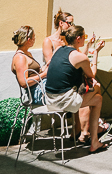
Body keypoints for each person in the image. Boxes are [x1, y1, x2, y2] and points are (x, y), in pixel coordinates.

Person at [45, 25, 106, 153]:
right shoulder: (79, 57)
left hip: (49, 98)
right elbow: (92, 74)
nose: (85, 38)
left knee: (97, 97)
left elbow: (72, 62)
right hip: (62, 101)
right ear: (78, 38)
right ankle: (91, 137)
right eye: (84, 36)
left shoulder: (58, 50)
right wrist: (95, 54)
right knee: (97, 90)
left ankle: (87, 131)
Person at [11, 26, 48, 105]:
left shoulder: (27, 54)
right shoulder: (20, 57)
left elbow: (35, 73)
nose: (34, 40)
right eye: (33, 37)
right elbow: (24, 83)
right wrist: (44, 74)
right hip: (36, 92)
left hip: (41, 87)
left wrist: (45, 68)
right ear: (28, 40)